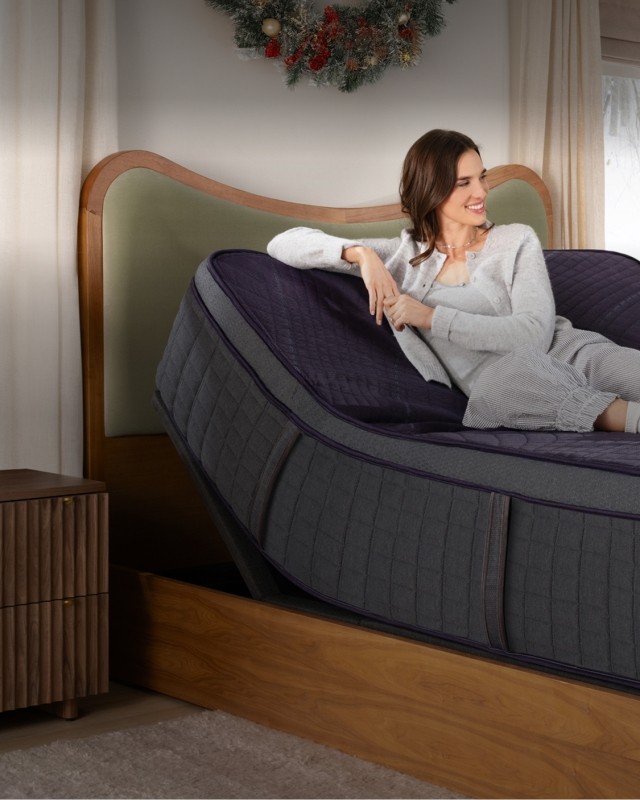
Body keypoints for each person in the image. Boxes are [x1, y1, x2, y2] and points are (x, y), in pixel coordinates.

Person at [267, 129, 640, 434]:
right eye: (464, 183)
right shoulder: (400, 259)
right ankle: (623, 418)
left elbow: (534, 335)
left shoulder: (515, 239)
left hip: (570, 353)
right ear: (432, 189)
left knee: (621, 368)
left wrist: (431, 318)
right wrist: (360, 255)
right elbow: (284, 241)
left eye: (482, 177)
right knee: (506, 381)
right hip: (508, 383)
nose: (481, 192)